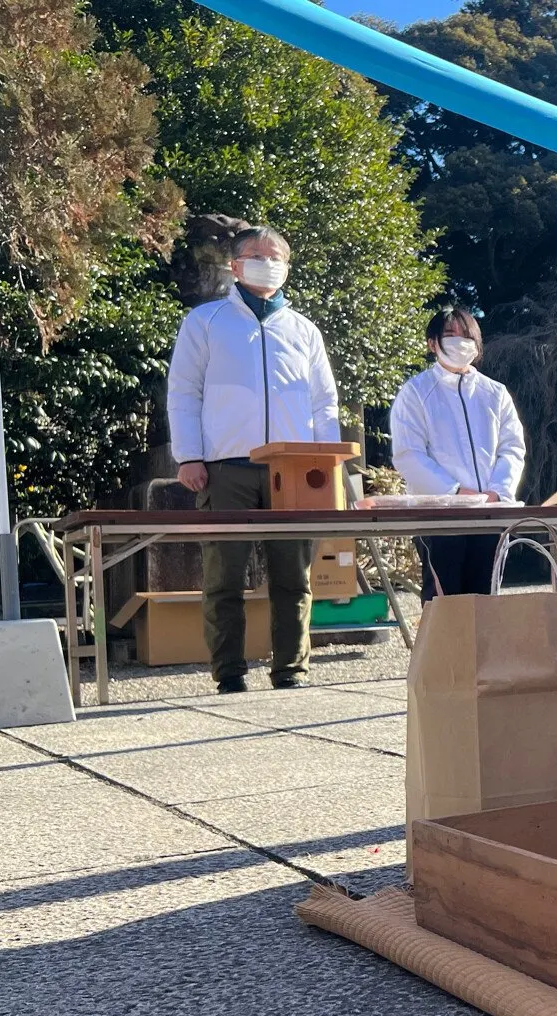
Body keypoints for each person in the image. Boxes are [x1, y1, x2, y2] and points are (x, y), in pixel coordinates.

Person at [167, 226, 340, 694]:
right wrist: (189, 455)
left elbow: (325, 403)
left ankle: (291, 671)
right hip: (224, 467)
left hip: (294, 470)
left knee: (294, 577)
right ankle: (229, 674)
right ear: (235, 265)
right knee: (223, 577)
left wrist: (328, 463)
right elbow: (184, 391)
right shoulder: (205, 321)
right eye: (257, 255)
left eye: (277, 256)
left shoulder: (304, 330)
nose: (268, 262)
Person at [389, 308, 527, 598]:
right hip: (439, 517)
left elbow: (512, 447)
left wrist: (497, 491)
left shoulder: (495, 393)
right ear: (432, 343)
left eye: (467, 336)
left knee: (486, 602)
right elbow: (408, 455)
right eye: (450, 336)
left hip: (491, 515)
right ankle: (442, 646)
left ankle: (486, 647)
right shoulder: (415, 392)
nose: (460, 342)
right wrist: (453, 492)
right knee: (444, 602)